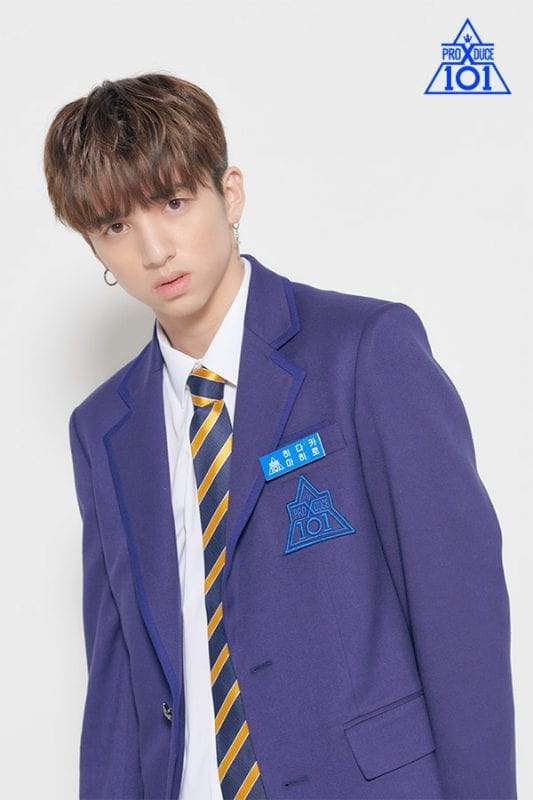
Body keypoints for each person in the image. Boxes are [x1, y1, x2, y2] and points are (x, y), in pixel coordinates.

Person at [43, 72, 517, 800]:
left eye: (173, 203)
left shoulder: (364, 351)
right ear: (94, 246)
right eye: (115, 226)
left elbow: (460, 617)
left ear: (229, 194)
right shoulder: (104, 428)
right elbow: (117, 685)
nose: (154, 248)